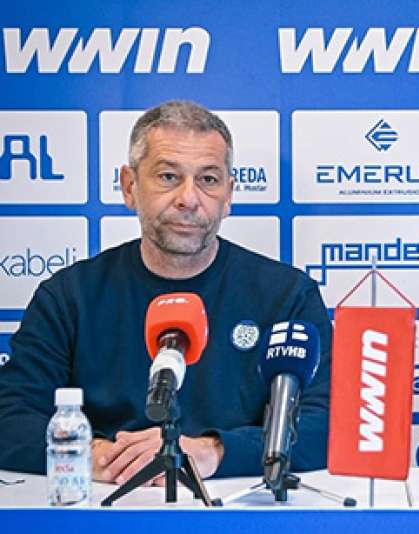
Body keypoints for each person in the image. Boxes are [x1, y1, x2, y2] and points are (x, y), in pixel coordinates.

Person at [0, 101, 331, 485]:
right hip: (105, 501)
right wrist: (96, 454)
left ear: (228, 195)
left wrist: (214, 451)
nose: (188, 199)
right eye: (168, 176)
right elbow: (10, 415)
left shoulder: (287, 296)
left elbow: (329, 422)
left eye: (208, 180)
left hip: (236, 505)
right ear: (129, 187)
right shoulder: (70, 296)